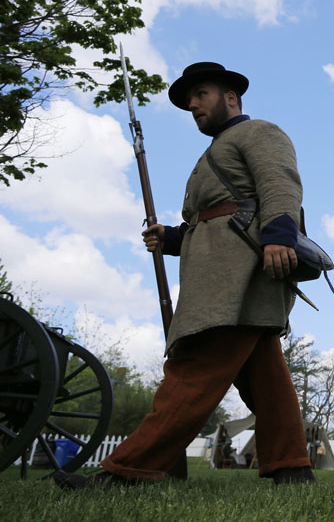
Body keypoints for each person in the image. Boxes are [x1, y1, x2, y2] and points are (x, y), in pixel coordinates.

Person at [54, 62, 314, 489]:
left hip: (237, 277)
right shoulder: (216, 151)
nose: (192, 104)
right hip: (224, 276)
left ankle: (127, 471)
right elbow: (214, 221)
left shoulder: (257, 132)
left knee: (193, 368)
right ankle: (292, 469)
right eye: (190, 99)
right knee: (265, 376)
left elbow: (279, 183)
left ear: (231, 97)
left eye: (201, 94)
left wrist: (280, 236)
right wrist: (173, 238)